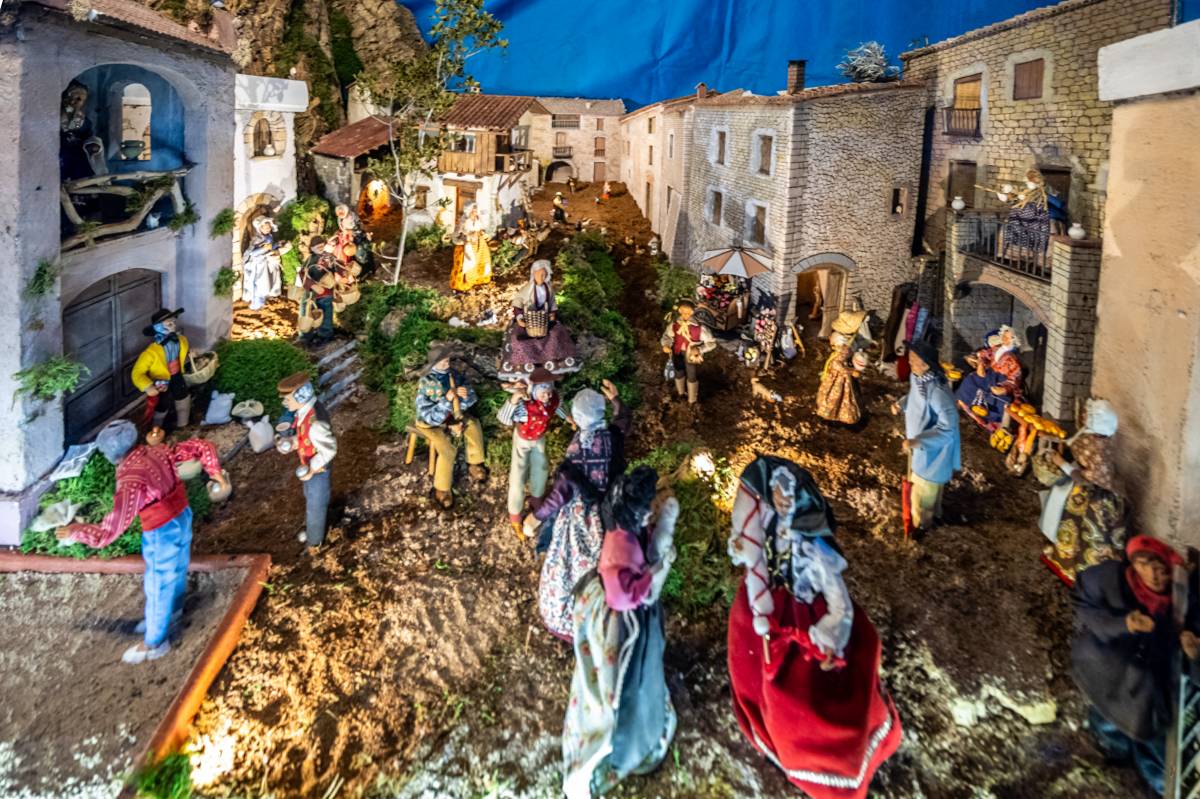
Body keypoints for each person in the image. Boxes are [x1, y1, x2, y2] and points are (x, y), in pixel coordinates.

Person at [725, 455, 902, 798]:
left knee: (801, 696)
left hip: (807, 618)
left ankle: (823, 760)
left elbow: (837, 597)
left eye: (786, 496)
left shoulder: (814, 546)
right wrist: (744, 550)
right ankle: (773, 728)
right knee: (751, 660)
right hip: (773, 608)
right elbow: (753, 553)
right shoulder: (768, 526)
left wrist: (830, 631)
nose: (781, 502)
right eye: (776, 495)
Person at [56, 420, 230, 664]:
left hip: (161, 529)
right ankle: (173, 612)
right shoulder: (158, 450)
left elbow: (111, 529)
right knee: (178, 566)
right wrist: (215, 472)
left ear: (112, 454)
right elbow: (202, 446)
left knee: (159, 582)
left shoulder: (131, 478)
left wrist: (77, 531)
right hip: (182, 515)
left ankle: (154, 642)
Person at [562, 467, 679, 798]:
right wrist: (656, 571)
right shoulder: (621, 545)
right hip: (620, 627)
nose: (650, 512)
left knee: (643, 676)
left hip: (630, 618)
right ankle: (612, 748)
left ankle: (646, 727)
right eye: (648, 507)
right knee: (616, 690)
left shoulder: (627, 530)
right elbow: (623, 595)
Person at [1072, 535, 1200, 794]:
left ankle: (1160, 784)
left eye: (1161, 570)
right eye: (1144, 566)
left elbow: (1193, 670)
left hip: (1149, 690)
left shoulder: (1184, 602)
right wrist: (1124, 624)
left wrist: (1193, 654)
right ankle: (1111, 758)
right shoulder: (1111, 580)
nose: (1154, 577)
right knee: (1106, 724)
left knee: (1155, 749)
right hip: (1108, 673)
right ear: (1133, 565)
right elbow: (1082, 602)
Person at [524, 380, 629, 641]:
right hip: (610, 507)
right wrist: (616, 400)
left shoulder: (577, 449)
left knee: (570, 563)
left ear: (579, 418)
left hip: (581, 515)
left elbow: (562, 491)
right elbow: (624, 421)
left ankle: (569, 619)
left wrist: (536, 517)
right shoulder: (611, 437)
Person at [1040, 398, 1129, 583]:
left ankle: (1080, 571)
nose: (1083, 416)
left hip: (1094, 500)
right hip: (1088, 492)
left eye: (1088, 414)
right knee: (1073, 529)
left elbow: (1085, 478)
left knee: (1085, 534)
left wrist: (1061, 463)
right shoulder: (1100, 438)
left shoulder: (1097, 448)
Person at [893, 340, 961, 535]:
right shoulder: (918, 378)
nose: (910, 361)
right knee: (930, 490)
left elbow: (948, 429)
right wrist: (901, 404)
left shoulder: (938, 393)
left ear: (926, 364)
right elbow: (914, 397)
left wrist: (919, 441)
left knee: (923, 492)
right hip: (920, 446)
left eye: (914, 359)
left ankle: (921, 525)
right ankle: (936, 514)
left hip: (933, 453)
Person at [497, 369, 570, 539]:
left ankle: (537, 499)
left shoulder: (553, 399)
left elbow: (558, 407)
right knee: (518, 477)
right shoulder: (524, 406)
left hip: (539, 439)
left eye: (549, 391)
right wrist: (514, 400)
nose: (547, 396)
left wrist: (568, 417)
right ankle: (515, 515)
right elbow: (504, 419)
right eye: (543, 392)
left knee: (541, 469)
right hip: (522, 441)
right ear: (534, 391)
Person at [415, 345, 488, 509]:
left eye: (447, 359)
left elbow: (470, 399)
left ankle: (475, 462)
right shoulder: (427, 382)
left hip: (452, 416)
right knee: (447, 449)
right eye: (442, 360)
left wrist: (465, 396)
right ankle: (442, 487)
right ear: (434, 363)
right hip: (431, 424)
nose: (446, 362)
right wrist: (446, 401)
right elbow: (428, 416)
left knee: (473, 424)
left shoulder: (454, 375)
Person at [278, 372, 337, 548]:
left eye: (287, 399)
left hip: (318, 471)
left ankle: (314, 544)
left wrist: (311, 469)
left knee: (316, 506)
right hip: (309, 469)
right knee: (309, 496)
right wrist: (293, 442)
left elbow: (329, 450)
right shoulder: (304, 413)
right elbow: (306, 438)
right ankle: (313, 533)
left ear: (301, 396)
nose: (285, 402)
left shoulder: (316, 422)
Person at [499, 259, 582, 381]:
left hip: (544, 319)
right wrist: (520, 318)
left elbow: (552, 302)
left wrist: (552, 313)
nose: (542, 277)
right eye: (540, 274)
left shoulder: (548, 289)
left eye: (544, 275)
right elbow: (517, 303)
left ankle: (554, 364)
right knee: (518, 340)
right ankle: (525, 366)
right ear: (534, 274)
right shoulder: (527, 289)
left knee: (556, 335)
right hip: (528, 320)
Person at [132, 307, 192, 431]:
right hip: (162, 382)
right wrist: (148, 386)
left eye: (173, 322)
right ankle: (156, 429)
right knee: (162, 404)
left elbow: (184, 351)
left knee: (183, 397)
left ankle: (183, 424)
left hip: (177, 375)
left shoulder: (181, 340)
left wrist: (190, 354)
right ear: (158, 328)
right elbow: (137, 372)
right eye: (169, 324)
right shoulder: (151, 353)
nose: (173, 325)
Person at [956, 325, 1023, 428]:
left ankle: (987, 419)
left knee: (996, 399)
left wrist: (1004, 389)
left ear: (1013, 340)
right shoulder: (996, 350)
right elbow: (984, 354)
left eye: (1008, 338)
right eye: (1004, 336)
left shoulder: (1012, 359)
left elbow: (1015, 378)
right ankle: (967, 407)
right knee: (970, 381)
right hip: (989, 376)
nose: (1005, 339)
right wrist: (980, 362)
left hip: (1001, 381)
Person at [659, 300, 716, 405]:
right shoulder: (674, 325)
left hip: (691, 355)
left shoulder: (699, 328)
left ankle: (692, 399)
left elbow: (712, 343)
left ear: (692, 312)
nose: (685, 314)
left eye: (688, 311)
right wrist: (666, 345)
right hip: (677, 352)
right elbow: (667, 336)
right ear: (680, 311)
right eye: (683, 311)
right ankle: (681, 393)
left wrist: (700, 349)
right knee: (678, 372)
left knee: (691, 375)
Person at [816, 331, 863, 425]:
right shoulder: (843, 350)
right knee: (837, 399)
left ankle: (833, 416)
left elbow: (836, 364)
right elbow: (836, 364)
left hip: (838, 380)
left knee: (836, 399)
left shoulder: (842, 350)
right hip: (838, 380)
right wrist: (851, 371)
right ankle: (833, 416)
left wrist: (850, 371)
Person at [242, 216, 287, 311]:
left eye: (269, 227)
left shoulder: (269, 237)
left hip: (267, 261)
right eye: (265, 228)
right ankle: (256, 303)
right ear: (260, 228)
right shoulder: (256, 239)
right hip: (259, 264)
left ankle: (263, 300)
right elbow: (253, 253)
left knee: (268, 281)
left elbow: (271, 246)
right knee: (260, 283)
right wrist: (263, 249)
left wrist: (277, 244)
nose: (267, 229)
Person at [299, 237, 337, 345]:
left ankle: (325, 334)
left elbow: (338, 266)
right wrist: (312, 285)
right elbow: (302, 273)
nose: (320, 248)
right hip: (311, 292)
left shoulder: (330, 257)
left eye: (322, 245)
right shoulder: (310, 259)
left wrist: (343, 273)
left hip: (326, 290)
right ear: (312, 248)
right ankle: (306, 333)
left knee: (326, 311)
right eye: (317, 246)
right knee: (307, 312)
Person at [449, 203, 493, 292]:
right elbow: (456, 235)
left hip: (479, 244)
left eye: (476, 211)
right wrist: (466, 238)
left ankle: (477, 281)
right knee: (467, 264)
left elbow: (480, 230)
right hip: (467, 244)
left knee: (482, 261)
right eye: (473, 211)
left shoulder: (478, 220)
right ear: (468, 211)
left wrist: (482, 233)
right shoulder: (463, 221)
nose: (475, 213)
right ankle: (460, 286)